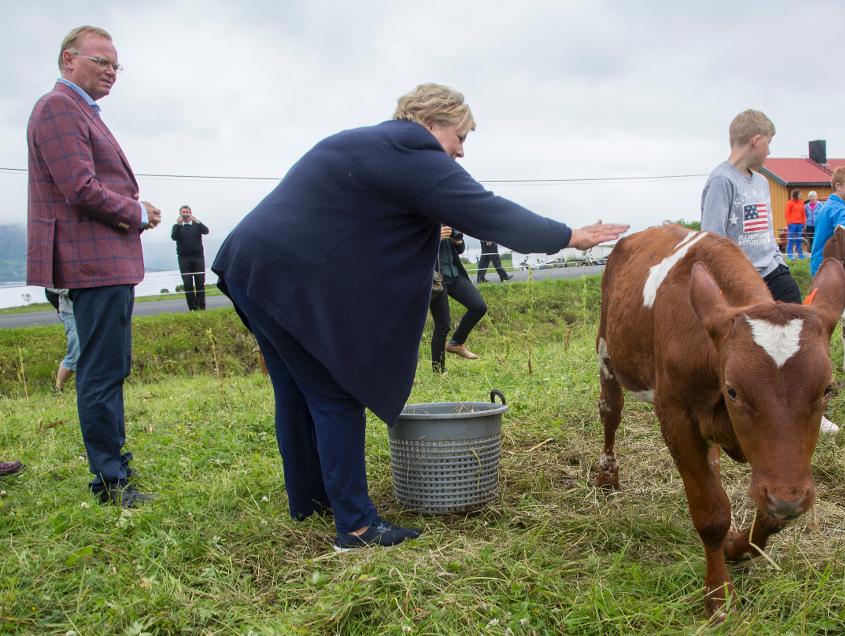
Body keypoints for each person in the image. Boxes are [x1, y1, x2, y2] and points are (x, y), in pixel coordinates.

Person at [212, 83, 628, 551]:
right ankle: (356, 526)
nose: (462, 151)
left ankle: (310, 501)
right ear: (434, 123)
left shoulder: (368, 141)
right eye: (461, 137)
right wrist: (568, 235)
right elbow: (486, 212)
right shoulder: (412, 152)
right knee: (335, 391)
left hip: (250, 264)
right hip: (285, 274)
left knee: (295, 391)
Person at [26, 25, 162, 508]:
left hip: (106, 261)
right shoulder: (59, 107)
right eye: (101, 61)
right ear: (69, 60)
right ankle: (109, 480)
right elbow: (80, 188)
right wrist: (137, 212)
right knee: (101, 373)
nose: (110, 72)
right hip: (92, 261)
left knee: (109, 368)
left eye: (115, 65)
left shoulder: (79, 109)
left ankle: (115, 465)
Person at [701, 109, 837, 434]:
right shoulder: (721, 181)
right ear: (756, 140)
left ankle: (809, 409)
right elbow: (711, 239)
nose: (770, 152)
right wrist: (722, 284)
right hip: (740, 277)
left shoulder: (761, 182)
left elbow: (764, 229)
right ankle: (752, 409)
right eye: (770, 143)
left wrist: (780, 260)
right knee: (751, 348)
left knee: (802, 332)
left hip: (773, 269)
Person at [430, 225, 488, 370]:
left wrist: (458, 242)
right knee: (443, 325)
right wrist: (435, 238)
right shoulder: (425, 221)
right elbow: (415, 246)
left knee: (479, 306)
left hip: (455, 275)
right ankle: (439, 370)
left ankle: (456, 343)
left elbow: (459, 251)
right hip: (436, 279)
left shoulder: (448, 220)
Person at [809, 166, 845, 276]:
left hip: (823, 264)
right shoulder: (836, 208)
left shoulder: (831, 205)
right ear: (838, 186)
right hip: (826, 266)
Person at [170, 205, 209, 310]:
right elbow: (174, 237)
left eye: (187, 212)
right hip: (184, 259)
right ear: (180, 214)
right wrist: (178, 225)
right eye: (183, 212)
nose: (185, 214)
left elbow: (206, 231)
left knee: (200, 281)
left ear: (190, 213)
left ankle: (201, 306)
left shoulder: (196, 225)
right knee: (187, 284)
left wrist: (197, 220)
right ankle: (192, 307)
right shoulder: (176, 227)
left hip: (198, 258)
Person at [46, 287, 80, 391]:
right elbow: (49, 285)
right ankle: (58, 389)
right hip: (71, 311)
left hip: (92, 308)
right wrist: (75, 291)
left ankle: (91, 386)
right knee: (76, 353)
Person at [784, 189, 806, 259]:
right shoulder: (790, 203)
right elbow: (787, 214)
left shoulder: (802, 203)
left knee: (799, 239)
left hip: (800, 224)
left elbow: (803, 214)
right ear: (796, 195)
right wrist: (789, 223)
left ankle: (800, 254)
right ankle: (790, 254)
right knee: (791, 239)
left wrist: (803, 223)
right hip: (792, 224)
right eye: (800, 194)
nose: (801, 196)